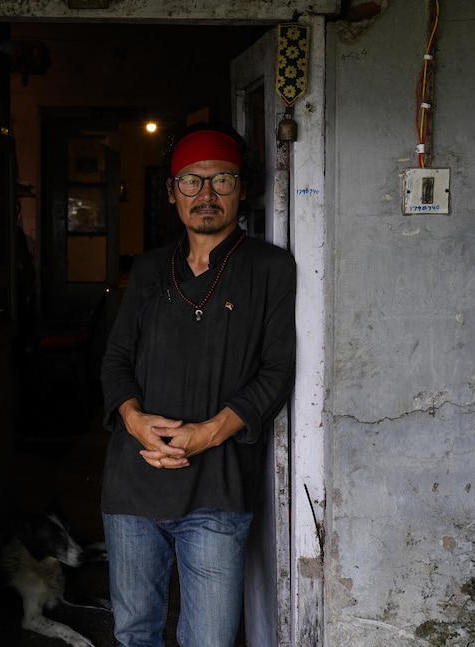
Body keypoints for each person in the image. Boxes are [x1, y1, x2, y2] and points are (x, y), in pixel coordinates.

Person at [99, 122, 297, 647]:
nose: (206, 195)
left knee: (208, 639)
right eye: (191, 181)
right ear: (171, 191)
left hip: (216, 488)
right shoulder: (146, 270)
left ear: (242, 188)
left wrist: (208, 434)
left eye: (221, 180)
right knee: (134, 631)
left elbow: (277, 370)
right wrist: (135, 421)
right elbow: (115, 359)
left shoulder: (269, 269)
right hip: (133, 481)